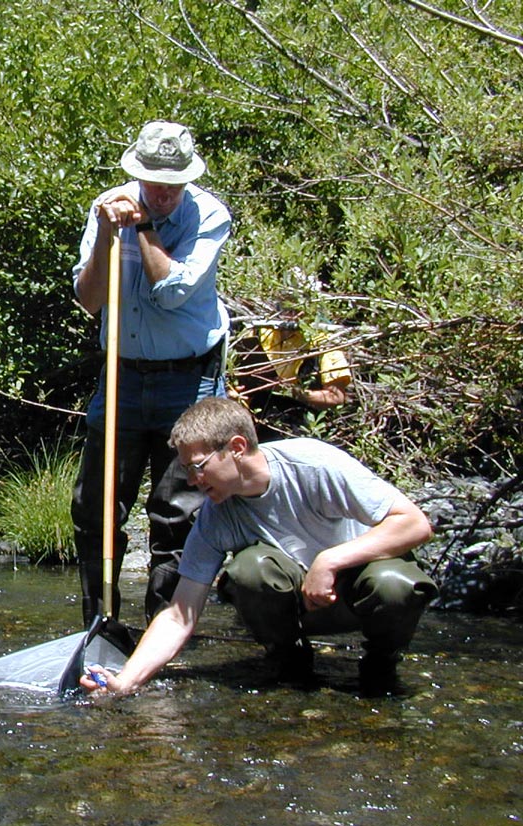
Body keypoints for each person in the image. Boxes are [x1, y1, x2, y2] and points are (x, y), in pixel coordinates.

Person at [81, 396, 437, 698]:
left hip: (356, 593)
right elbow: (178, 615)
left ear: (236, 448)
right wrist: (124, 682)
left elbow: (415, 523)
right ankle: (290, 660)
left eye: (198, 467)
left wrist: (331, 560)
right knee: (248, 571)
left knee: (396, 582)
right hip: (304, 605)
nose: (192, 481)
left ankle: (381, 663)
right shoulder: (216, 515)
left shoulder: (313, 464)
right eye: (187, 470)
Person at [71, 120, 232, 626]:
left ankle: (164, 632)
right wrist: (104, 232)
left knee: (177, 512)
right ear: (135, 174)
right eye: (152, 182)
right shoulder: (108, 205)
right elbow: (89, 299)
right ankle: (100, 624)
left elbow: (171, 291)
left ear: (188, 180)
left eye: (172, 184)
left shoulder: (209, 216)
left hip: (189, 380)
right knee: (95, 507)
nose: (162, 193)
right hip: (121, 374)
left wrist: (141, 228)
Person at [231, 315, 352, 441]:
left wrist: (289, 391)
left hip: (300, 431)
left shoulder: (323, 341)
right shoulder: (260, 331)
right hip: (256, 423)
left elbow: (335, 397)